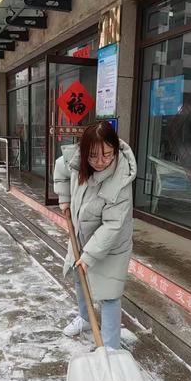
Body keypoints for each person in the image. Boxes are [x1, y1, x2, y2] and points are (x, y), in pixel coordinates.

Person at [54, 121, 137, 350]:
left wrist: (89, 255)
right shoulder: (76, 160)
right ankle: (85, 318)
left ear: (115, 150)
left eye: (107, 155)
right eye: (93, 156)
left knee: (109, 295)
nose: (100, 162)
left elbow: (112, 225)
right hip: (82, 232)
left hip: (112, 244)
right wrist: (64, 197)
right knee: (80, 278)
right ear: (84, 152)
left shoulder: (121, 181)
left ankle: (110, 348)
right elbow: (61, 168)